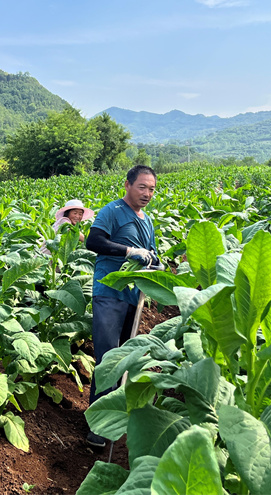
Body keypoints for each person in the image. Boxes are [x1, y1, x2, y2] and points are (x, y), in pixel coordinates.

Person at [84, 165, 158, 448]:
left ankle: (110, 416)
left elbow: (150, 254)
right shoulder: (112, 211)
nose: (147, 194)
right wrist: (128, 251)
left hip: (133, 297)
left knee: (125, 359)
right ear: (127, 185)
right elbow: (94, 241)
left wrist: (153, 261)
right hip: (109, 293)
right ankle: (97, 427)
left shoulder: (147, 220)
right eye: (142, 187)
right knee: (108, 359)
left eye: (151, 189)